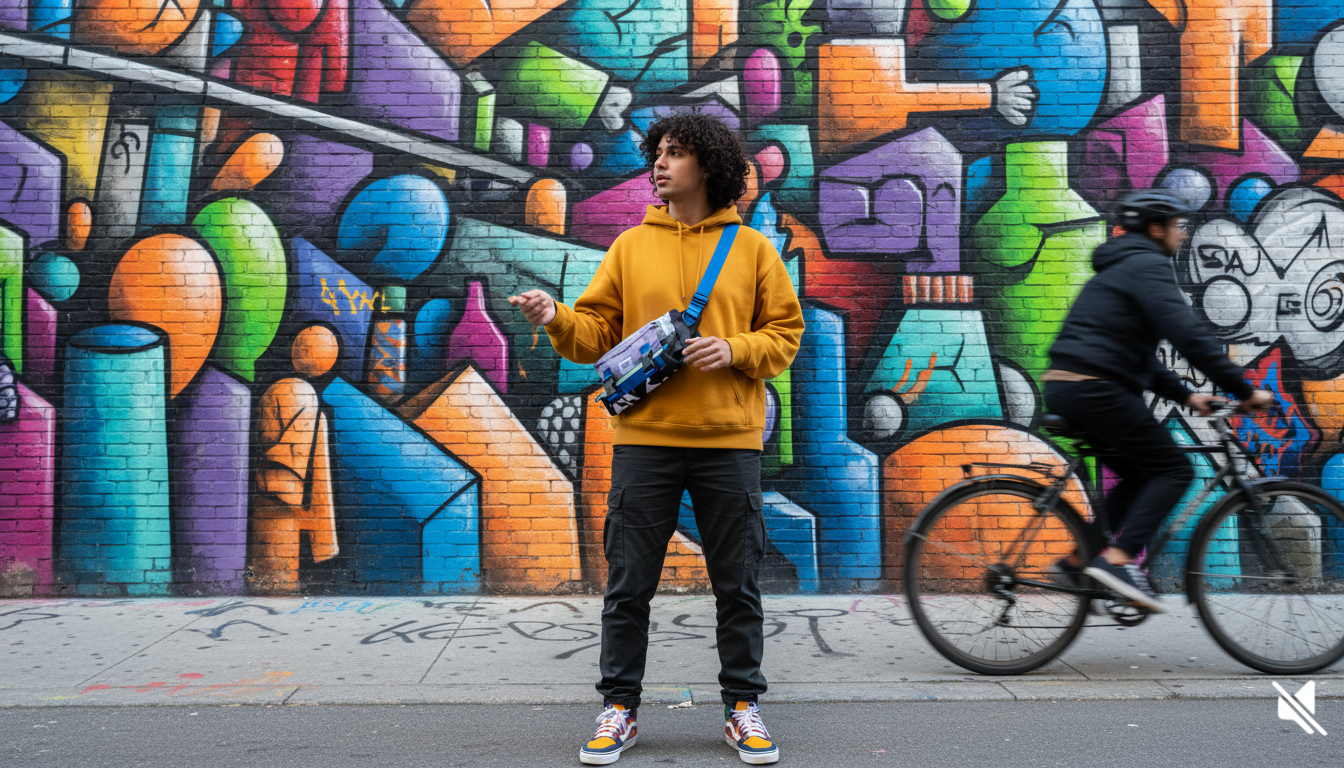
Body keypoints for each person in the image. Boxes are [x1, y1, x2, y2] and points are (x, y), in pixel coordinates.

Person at [509, 114, 804, 766]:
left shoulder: (753, 250)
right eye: (658, 153)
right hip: (645, 439)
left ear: (710, 167)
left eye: (676, 154)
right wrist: (556, 316)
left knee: (738, 584)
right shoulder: (628, 248)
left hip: (729, 440)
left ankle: (741, 707)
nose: (660, 165)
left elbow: (786, 336)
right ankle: (619, 708)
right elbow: (592, 337)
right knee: (629, 584)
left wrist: (734, 348)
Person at [1042, 190, 1274, 612]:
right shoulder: (1147, 265)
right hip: (1096, 386)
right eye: (1178, 226)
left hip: (1073, 383)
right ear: (1155, 228)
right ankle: (1117, 561)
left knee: (1137, 475)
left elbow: (1141, 359)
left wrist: (1188, 395)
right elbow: (1188, 335)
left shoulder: (1122, 267)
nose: (1183, 235)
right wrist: (1244, 388)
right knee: (1173, 469)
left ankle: (1078, 561)